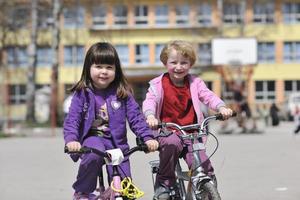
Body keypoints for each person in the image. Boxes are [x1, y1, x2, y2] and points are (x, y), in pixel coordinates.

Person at [63, 42, 159, 200]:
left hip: (117, 144)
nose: (104, 71)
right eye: (99, 66)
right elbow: (73, 119)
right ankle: (83, 192)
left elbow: (136, 118)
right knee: (93, 155)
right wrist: (72, 140)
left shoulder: (122, 93)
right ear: (88, 68)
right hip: (93, 140)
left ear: (116, 70)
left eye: (109, 67)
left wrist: (148, 138)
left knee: (126, 189)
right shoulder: (83, 93)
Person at [142, 40, 233, 199]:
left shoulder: (195, 82)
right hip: (168, 131)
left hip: (192, 132)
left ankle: (206, 188)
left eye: (184, 62)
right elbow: (150, 101)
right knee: (171, 144)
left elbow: (208, 96)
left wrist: (221, 107)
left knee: (202, 164)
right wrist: (150, 116)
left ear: (190, 64)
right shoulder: (158, 84)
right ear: (165, 62)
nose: (179, 67)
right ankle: (164, 184)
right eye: (174, 62)